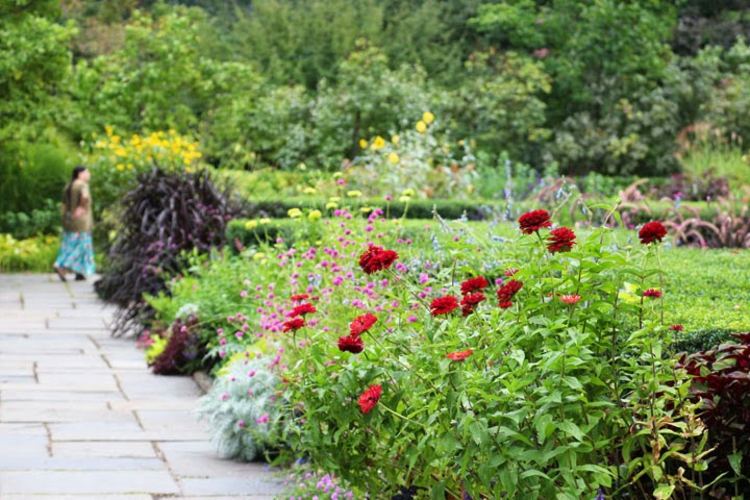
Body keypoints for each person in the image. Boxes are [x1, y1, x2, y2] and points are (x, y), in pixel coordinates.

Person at [53, 166, 96, 282]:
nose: (89, 174)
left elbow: (63, 204)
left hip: (69, 220)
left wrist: (66, 217)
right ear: (80, 174)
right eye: (87, 172)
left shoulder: (69, 185)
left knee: (69, 243)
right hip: (81, 221)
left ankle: (79, 272)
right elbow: (85, 197)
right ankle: (62, 266)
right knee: (81, 245)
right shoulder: (82, 185)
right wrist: (81, 208)